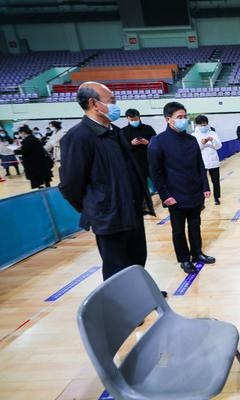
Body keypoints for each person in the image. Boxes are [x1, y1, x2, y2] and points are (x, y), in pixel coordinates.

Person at [59, 82, 158, 286]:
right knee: (116, 268)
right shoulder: (78, 137)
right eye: (111, 101)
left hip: (131, 210)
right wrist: (97, 207)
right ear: (94, 104)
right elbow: (70, 184)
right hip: (109, 217)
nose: (115, 105)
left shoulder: (115, 132)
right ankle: (123, 305)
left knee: (137, 258)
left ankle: (139, 296)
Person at [148, 102, 215, 274]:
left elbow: (200, 165)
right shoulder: (158, 141)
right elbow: (155, 172)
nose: (183, 120)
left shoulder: (191, 140)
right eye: (179, 117)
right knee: (178, 230)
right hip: (175, 195)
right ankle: (184, 259)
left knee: (195, 225)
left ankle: (197, 253)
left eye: (185, 116)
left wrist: (205, 186)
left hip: (195, 192)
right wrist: (165, 195)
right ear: (168, 119)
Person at [121, 108, 156, 186]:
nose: (134, 121)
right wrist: (131, 144)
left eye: (136, 119)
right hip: (134, 163)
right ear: (127, 118)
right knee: (140, 185)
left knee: (156, 181)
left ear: (139, 117)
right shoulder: (123, 131)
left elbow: (156, 144)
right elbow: (121, 148)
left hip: (149, 160)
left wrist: (147, 143)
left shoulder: (148, 128)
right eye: (131, 120)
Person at [192, 115, 222, 205]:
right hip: (201, 162)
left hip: (214, 161)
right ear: (197, 125)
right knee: (201, 182)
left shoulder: (213, 133)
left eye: (205, 125)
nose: (204, 127)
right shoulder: (194, 135)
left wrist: (213, 140)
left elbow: (219, 146)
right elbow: (194, 150)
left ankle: (216, 198)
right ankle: (201, 201)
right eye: (201, 125)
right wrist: (202, 143)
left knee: (216, 181)